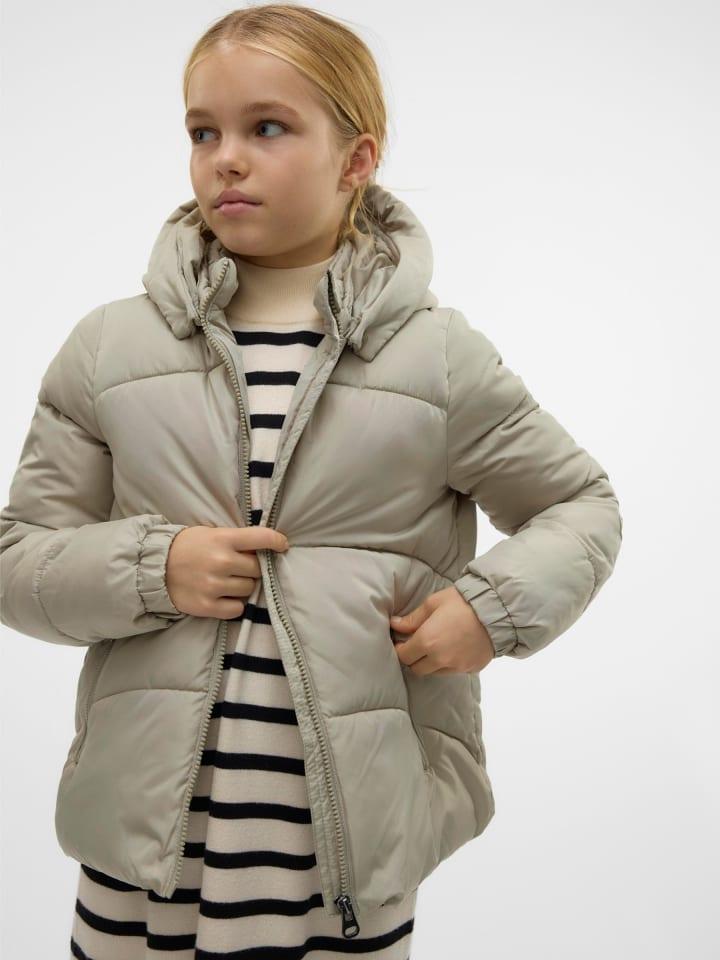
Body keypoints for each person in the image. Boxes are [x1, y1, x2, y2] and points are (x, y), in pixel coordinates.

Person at [0, 4, 623, 958]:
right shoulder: (110, 347)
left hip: (342, 855)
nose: (225, 159)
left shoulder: (436, 358)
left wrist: (490, 609)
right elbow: (19, 559)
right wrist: (152, 567)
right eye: (202, 132)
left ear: (356, 158)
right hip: (143, 849)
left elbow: (579, 506)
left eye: (267, 128)